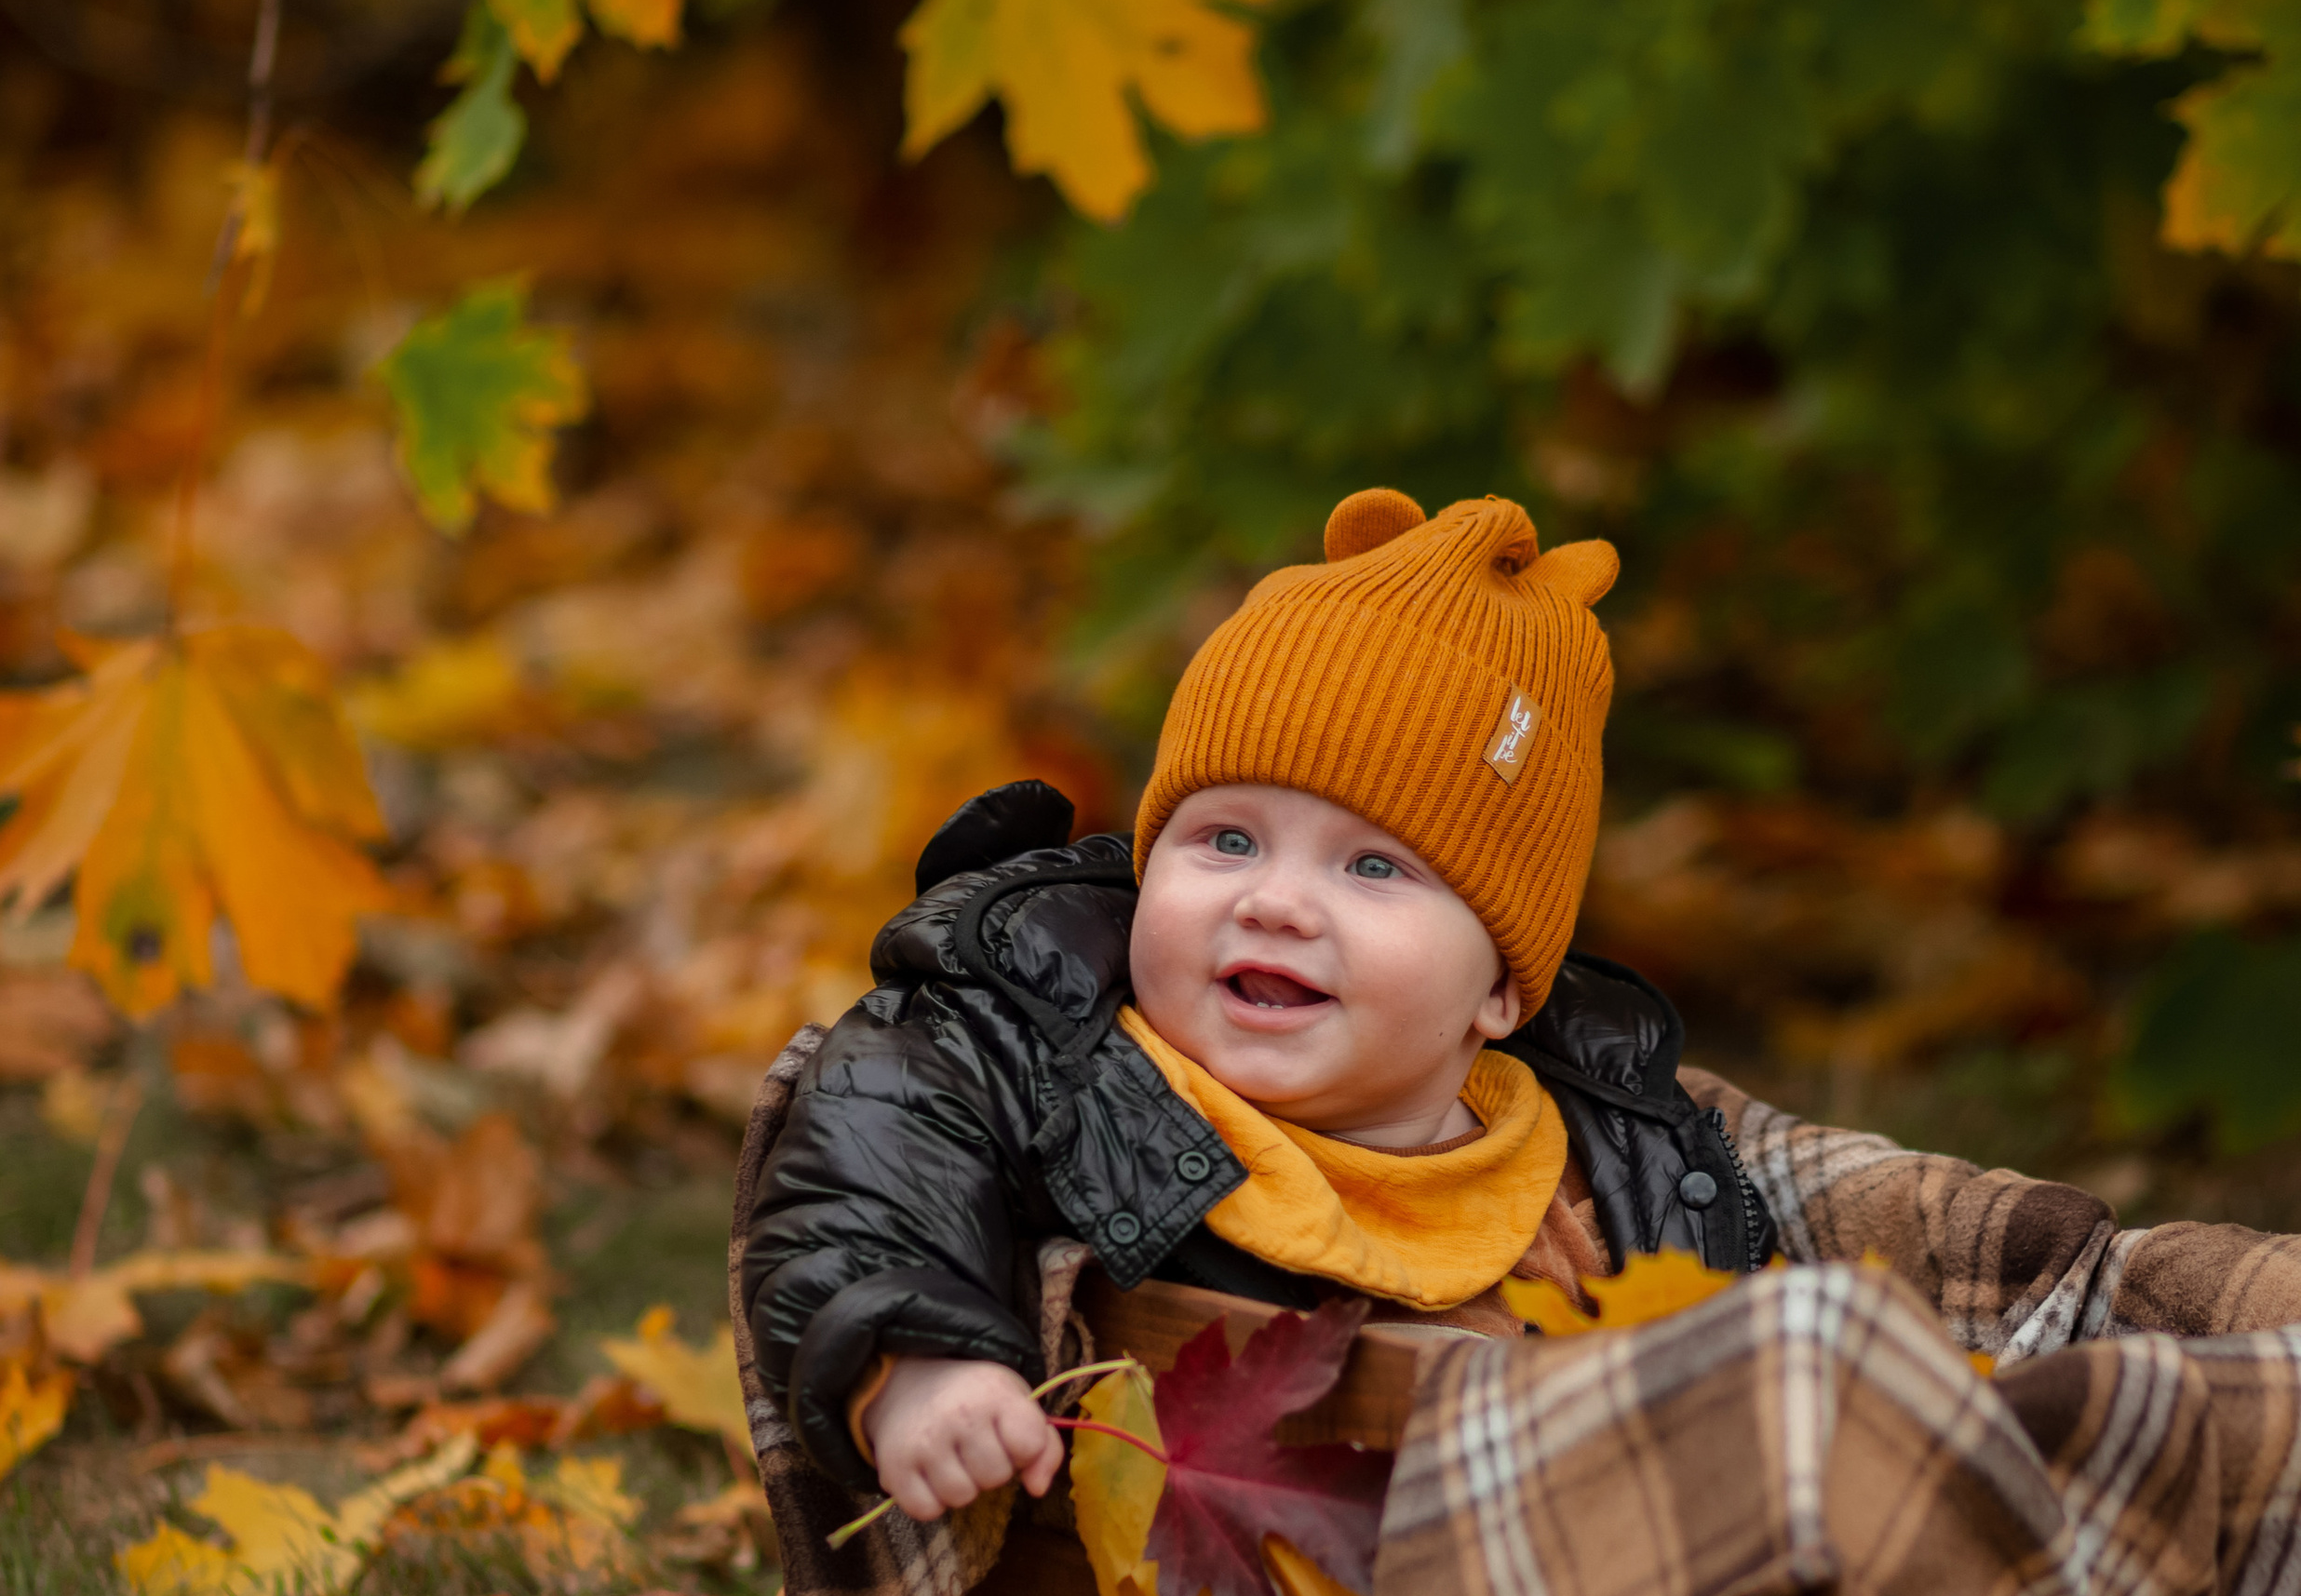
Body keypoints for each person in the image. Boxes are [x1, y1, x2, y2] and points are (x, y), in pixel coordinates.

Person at [741, 483, 1757, 1515]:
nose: (1275, 902)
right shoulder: (1034, 1060)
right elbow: (874, 1158)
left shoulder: (1597, 1164)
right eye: (1227, 840)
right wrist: (915, 1361)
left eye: (1371, 869)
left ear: (1497, 987)